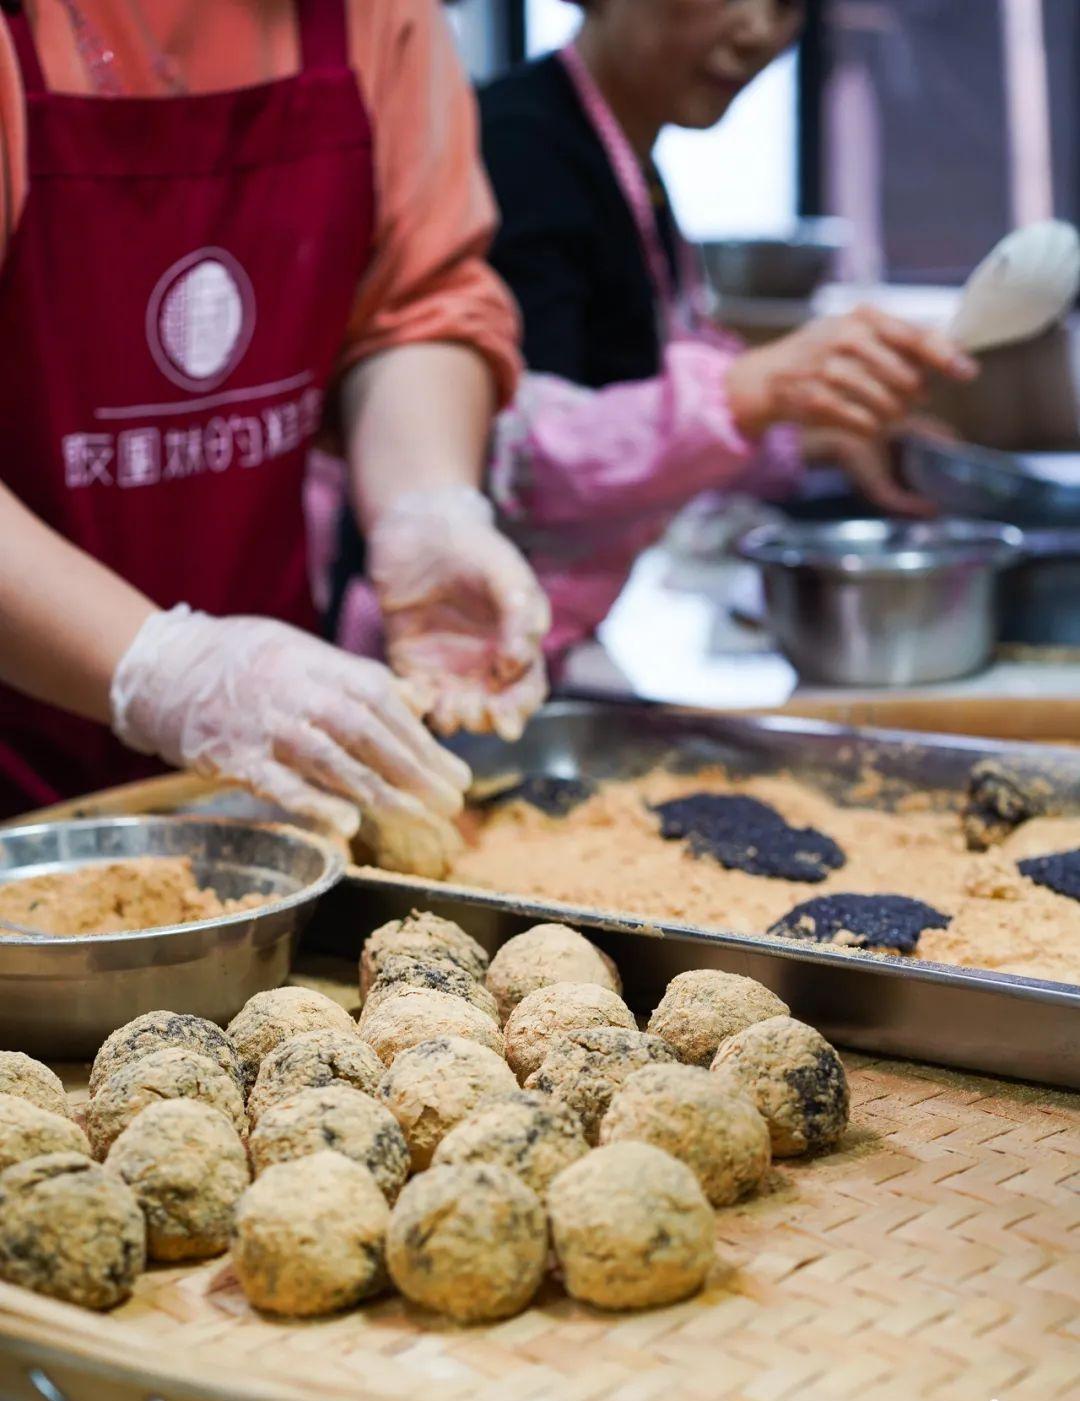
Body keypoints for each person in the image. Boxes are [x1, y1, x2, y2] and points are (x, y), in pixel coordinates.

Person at [0, 0, 551, 866]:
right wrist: (167, 667)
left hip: (271, 781)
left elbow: (415, 303)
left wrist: (427, 509)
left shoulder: (376, 16)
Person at [479, 0, 979, 661]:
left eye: (786, 4)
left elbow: (640, 418)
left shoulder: (628, 162)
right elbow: (514, 464)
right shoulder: (515, 148)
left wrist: (807, 437)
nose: (758, 31)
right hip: (455, 647)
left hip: (548, 640)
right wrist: (744, 396)